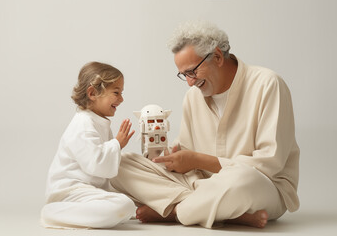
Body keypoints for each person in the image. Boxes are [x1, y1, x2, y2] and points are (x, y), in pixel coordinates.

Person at [110, 21, 300, 229]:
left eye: (192, 72)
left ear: (217, 57)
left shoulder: (268, 84)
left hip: (260, 186)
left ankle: (174, 212)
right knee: (118, 164)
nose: (190, 82)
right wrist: (169, 157)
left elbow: (269, 164)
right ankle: (224, 213)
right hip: (201, 184)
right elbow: (186, 151)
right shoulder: (193, 97)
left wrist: (197, 160)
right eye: (184, 75)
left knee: (242, 179)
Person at [41, 61, 136, 229]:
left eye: (121, 93)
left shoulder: (96, 122)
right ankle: (53, 212)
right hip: (69, 191)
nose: (121, 99)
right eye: (116, 92)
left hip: (87, 190)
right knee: (124, 205)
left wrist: (116, 146)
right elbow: (96, 164)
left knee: (128, 202)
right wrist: (117, 144)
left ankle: (89, 213)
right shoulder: (82, 125)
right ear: (92, 93)